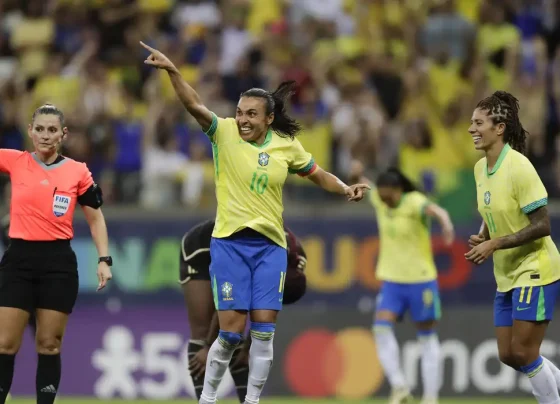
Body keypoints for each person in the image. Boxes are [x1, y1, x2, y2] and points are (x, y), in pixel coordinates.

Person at [140, 41, 369, 404]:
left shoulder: (286, 146)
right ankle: (208, 400)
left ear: (268, 118)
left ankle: (252, 402)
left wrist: (344, 188)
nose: (242, 119)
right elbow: (193, 104)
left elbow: (317, 173)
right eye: (240, 112)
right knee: (230, 335)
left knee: (263, 334)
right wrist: (173, 71)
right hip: (230, 243)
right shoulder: (223, 133)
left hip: (270, 247)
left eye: (250, 114)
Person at [0, 104, 113, 404]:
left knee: (49, 344)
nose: (45, 136)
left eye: (52, 130)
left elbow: (95, 217)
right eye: (40, 129)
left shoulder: (78, 171)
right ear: (30, 131)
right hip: (18, 261)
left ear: (63, 134)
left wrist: (104, 259)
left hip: (58, 264)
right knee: (4, 343)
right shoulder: (14, 161)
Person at [466, 91, 560, 404]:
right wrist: (484, 234)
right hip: (506, 274)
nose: (471, 129)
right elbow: (492, 211)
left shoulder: (519, 167)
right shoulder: (481, 169)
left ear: (499, 127)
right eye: (471, 123)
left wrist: (496, 242)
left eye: (479, 122)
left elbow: (543, 225)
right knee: (508, 355)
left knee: (524, 351)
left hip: (536, 268)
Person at [350, 163, 455, 404]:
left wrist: (446, 224)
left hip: (421, 280)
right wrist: (356, 173)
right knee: (381, 329)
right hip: (392, 281)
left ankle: (430, 397)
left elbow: (437, 211)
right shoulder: (380, 199)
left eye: (388, 198)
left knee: (426, 336)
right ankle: (399, 387)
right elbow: (362, 181)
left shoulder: (414, 201)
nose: (384, 202)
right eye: (382, 198)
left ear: (398, 191)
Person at [180, 219, 307, 402]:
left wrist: (249, 347)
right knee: (213, 330)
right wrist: (208, 345)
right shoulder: (278, 253)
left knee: (247, 342)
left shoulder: (294, 263)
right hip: (202, 247)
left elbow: (265, 315)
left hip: (247, 248)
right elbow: (231, 309)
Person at [0, 182, 37, 337]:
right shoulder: (5, 225)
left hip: (34, 288)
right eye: (10, 195)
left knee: (44, 338)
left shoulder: (36, 220)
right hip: (10, 288)